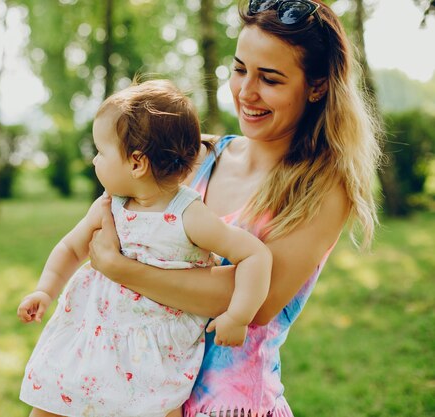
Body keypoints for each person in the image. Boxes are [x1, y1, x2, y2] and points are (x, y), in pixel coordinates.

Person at [88, 1, 382, 416]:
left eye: (271, 79)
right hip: (143, 396)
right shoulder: (200, 156)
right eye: (240, 69)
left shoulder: (323, 188)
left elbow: (253, 302)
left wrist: (120, 269)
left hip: (227, 404)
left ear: (316, 86)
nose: (246, 92)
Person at [17, 79, 273, 417]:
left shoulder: (188, 215)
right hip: (92, 342)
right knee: (50, 406)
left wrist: (238, 315)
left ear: (137, 163)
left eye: (101, 152)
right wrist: (45, 291)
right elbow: (71, 248)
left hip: (154, 358)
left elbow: (255, 254)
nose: (94, 161)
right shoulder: (108, 205)